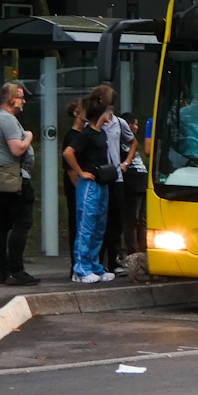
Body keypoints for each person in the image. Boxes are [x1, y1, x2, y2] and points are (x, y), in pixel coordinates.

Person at [0, 82, 40, 287]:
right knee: (22, 223)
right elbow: (17, 149)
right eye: (20, 96)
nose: (23, 100)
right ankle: (16, 270)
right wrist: (29, 136)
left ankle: (3, 270)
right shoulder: (7, 120)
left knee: (2, 224)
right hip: (14, 179)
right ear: (10, 99)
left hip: (2, 179)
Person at [63, 95, 116, 283]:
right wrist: (81, 172)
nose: (110, 115)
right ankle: (80, 268)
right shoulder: (86, 134)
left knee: (98, 226)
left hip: (102, 182)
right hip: (90, 183)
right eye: (107, 111)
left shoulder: (101, 133)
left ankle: (94, 265)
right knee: (86, 225)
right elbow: (68, 152)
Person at [90, 86, 136, 274]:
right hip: (100, 176)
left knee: (116, 220)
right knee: (100, 220)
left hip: (116, 176)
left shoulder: (119, 123)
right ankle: (98, 260)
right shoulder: (92, 125)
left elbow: (133, 142)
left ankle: (114, 259)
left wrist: (126, 162)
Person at [60, 98, 86, 274]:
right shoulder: (71, 136)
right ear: (76, 113)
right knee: (76, 224)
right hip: (76, 187)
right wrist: (80, 188)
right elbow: (70, 168)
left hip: (81, 185)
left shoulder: (83, 135)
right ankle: (75, 263)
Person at [120, 112, 149, 255]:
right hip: (132, 181)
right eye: (135, 124)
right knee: (132, 219)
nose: (137, 127)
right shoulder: (121, 141)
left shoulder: (131, 142)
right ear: (128, 125)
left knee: (141, 219)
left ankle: (143, 249)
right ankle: (133, 251)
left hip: (141, 180)